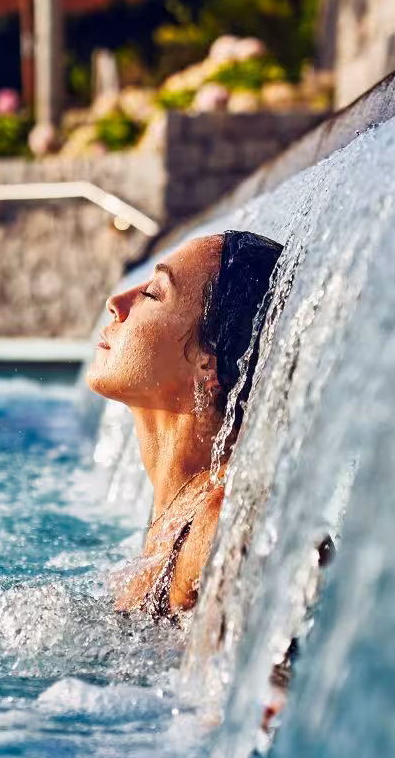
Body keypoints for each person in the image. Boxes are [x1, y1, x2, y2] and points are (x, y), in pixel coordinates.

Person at [86, 230, 284, 621]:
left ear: (207, 363)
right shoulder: (183, 509)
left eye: (151, 295)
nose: (116, 303)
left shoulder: (222, 520)